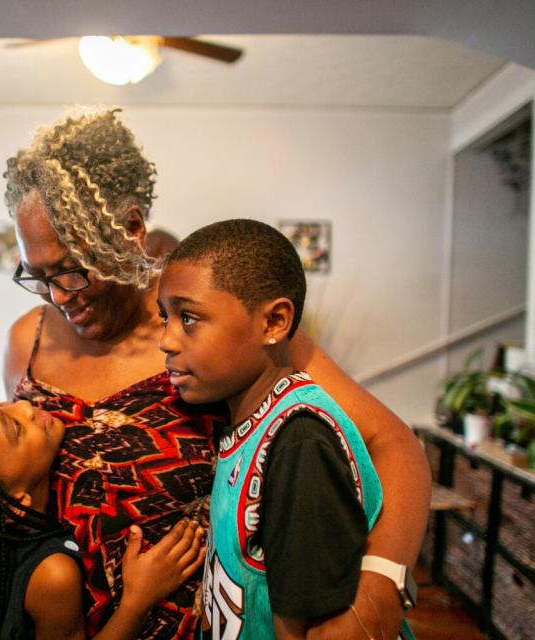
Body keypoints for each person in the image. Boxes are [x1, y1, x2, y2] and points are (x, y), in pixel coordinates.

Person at [0, 109, 430, 638]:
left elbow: (394, 446)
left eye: (73, 269)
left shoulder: (212, 331)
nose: (59, 296)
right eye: (39, 275)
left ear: (132, 227)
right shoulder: (24, 342)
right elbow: (18, 491)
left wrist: (379, 587)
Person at [159, 219, 408, 639]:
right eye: (164, 317)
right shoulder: (248, 420)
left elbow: (306, 627)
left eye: (188, 318)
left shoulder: (299, 443)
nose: (166, 340)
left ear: (273, 322)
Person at [0, 398, 204, 638]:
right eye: (14, 428)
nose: (25, 406)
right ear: (14, 504)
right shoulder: (51, 575)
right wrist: (138, 600)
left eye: (2, 403)